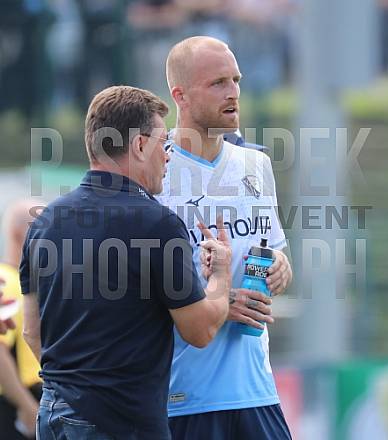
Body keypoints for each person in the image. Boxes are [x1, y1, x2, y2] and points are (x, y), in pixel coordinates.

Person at [20, 85, 232, 440]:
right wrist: (221, 277)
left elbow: (31, 330)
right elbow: (201, 330)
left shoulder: (44, 222)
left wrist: (75, 390)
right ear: (139, 145)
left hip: (54, 414)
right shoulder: (158, 224)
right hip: (120, 422)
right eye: (164, 143)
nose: (168, 156)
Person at [158, 36, 293, 439]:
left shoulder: (256, 164)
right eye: (218, 83)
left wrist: (281, 268)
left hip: (256, 389)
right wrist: (214, 304)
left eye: (235, 80)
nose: (233, 92)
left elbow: (273, 252)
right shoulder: (155, 170)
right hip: (184, 396)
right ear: (180, 96)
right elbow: (134, 287)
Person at [0, 201, 43, 439]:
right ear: (20, 234)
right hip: (14, 407)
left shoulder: (28, 284)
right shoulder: (6, 282)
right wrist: (27, 406)